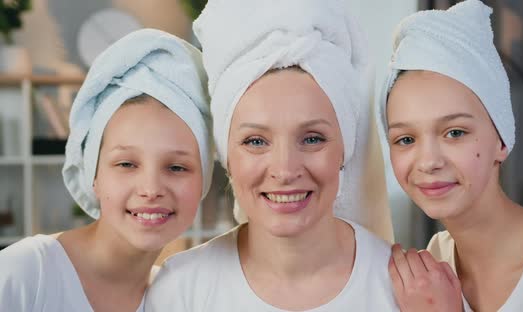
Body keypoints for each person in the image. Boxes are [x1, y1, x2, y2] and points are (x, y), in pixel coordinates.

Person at [145, 0, 398, 310]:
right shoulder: (180, 291)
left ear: (345, 148)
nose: (285, 169)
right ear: (227, 158)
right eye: (255, 141)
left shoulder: (405, 287)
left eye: (312, 138)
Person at [379, 1, 523, 310]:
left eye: (454, 132)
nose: (428, 162)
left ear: (501, 141)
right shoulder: (436, 260)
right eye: (406, 139)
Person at [0, 28, 213, 312]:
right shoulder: (26, 274)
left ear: (204, 180)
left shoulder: (180, 298)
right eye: (126, 164)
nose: (151, 189)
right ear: (94, 174)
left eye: (176, 167)